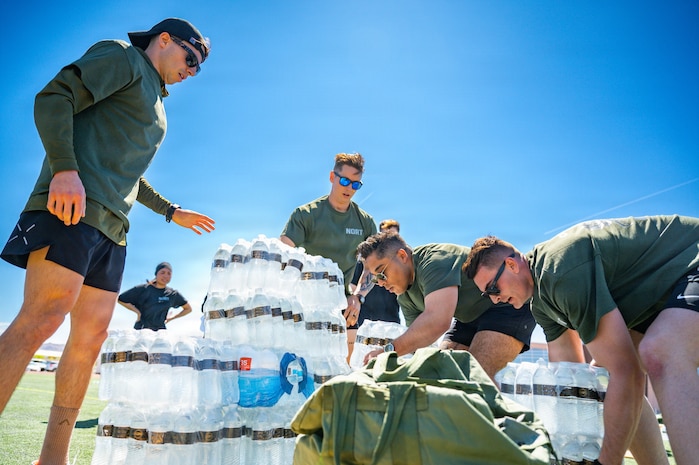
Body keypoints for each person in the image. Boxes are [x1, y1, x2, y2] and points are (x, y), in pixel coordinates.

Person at [0, 18, 215, 465]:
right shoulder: (122, 57)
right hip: (71, 208)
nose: (191, 71)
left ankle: (52, 459)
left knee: (90, 338)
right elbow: (54, 96)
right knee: (41, 319)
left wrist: (173, 212)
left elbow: (133, 175)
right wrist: (63, 169)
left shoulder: (158, 102)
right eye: (189, 58)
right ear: (163, 40)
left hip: (114, 228)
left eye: (199, 68)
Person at [463, 215, 698, 465]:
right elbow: (573, 376)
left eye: (493, 288)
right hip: (661, 295)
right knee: (602, 378)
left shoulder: (559, 271)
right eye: (486, 295)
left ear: (511, 265)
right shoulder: (541, 304)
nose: (494, 300)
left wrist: (606, 460)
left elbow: (627, 371)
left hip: (692, 259)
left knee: (659, 351)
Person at [356, 231, 535, 381]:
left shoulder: (433, 260)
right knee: (442, 378)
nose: (379, 283)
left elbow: (437, 322)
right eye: (375, 278)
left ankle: (499, 421)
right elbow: (420, 344)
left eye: (381, 273)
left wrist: (388, 351)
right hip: (468, 317)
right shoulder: (404, 296)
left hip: (506, 305)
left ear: (402, 256)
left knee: (475, 379)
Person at [280, 152, 377, 359]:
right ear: (332, 177)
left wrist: (358, 297)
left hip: (340, 306)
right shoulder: (306, 214)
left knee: (341, 364)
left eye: (355, 184)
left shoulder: (365, 222)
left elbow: (374, 266)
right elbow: (282, 255)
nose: (349, 188)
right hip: (302, 304)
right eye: (344, 181)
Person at [348, 219, 402, 327]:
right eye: (387, 235)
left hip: (391, 320)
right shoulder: (365, 261)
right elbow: (352, 286)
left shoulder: (401, 263)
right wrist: (355, 302)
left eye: (394, 237)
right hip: (365, 320)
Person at [118, 262, 192, 331]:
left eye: (169, 273)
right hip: (142, 330)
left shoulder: (173, 294)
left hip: (160, 333)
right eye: (162, 272)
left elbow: (188, 309)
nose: (165, 276)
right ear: (156, 274)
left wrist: (171, 318)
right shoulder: (143, 289)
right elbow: (121, 299)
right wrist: (138, 313)